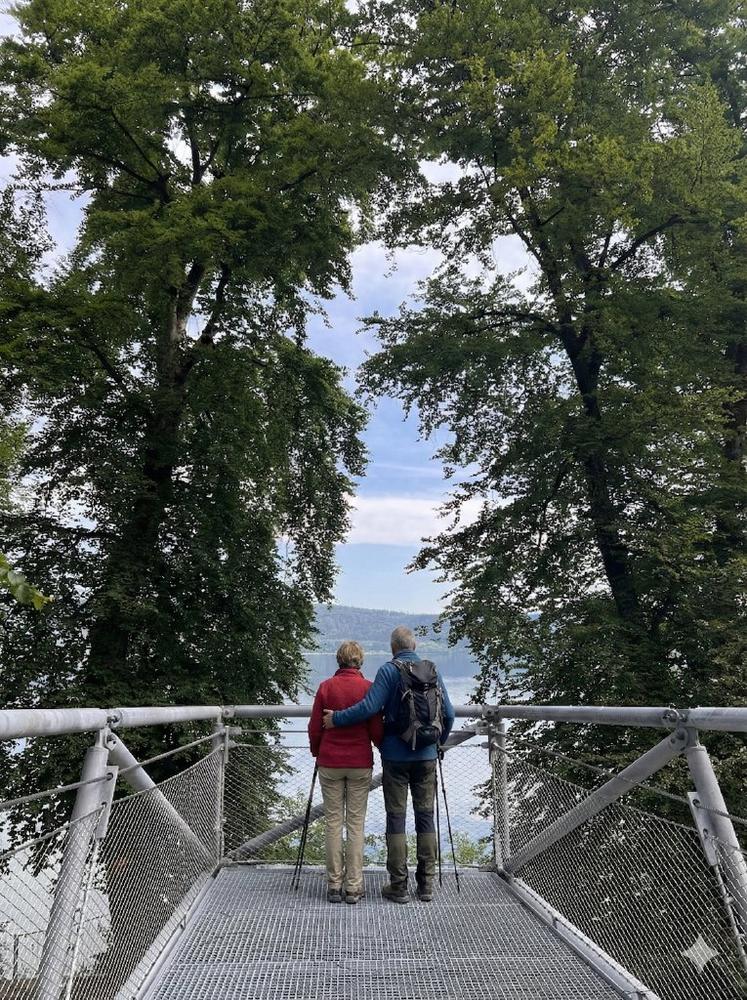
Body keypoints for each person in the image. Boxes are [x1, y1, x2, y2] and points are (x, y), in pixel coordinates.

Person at [323, 625, 455, 904]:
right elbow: (450, 714)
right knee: (426, 816)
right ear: (414, 646)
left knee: (396, 818)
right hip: (426, 756)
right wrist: (438, 744)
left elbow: (369, 708)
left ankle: (399, 885)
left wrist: (337, 719)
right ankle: (426, 884)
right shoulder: (431, 670)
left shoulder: (388, 671)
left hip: (396, 756)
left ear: (393, 647)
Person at [308, 640, 383, 904]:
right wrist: (379, 746)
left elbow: (314, 727)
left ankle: (333, 884)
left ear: (339, 660)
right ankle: (353, 886)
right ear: (359, 661)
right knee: (355, 824)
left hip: (330, 761)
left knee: (332, 823)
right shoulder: (368, 688)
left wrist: (317, 751)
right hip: (359, 762)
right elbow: (376, 729)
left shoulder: (326, 687)